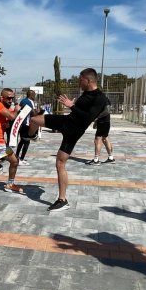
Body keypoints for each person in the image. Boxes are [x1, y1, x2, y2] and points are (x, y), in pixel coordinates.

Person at [26, 68, 109, 212]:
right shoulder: (86, 93)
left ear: (87, 80)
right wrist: (73, 105)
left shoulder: (100, 98)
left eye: (80, 79)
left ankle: (62, 200)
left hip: (74, 131)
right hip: (66, 121)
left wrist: (71, 106)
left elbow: (88, 118)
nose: (78, 81)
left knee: (60, 162)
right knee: (34, 119)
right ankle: (31, 136)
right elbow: (79, 111)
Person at [85, 97, 114, 165]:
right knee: (105, 138)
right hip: (105, 122)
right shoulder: (103, 99)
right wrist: (96, 121)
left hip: (103, 122)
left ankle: (96, 160)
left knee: (97, 139)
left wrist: (97, 117)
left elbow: (107, 110)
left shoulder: (103, 99)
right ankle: (111, 157)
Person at [16, 90, 39, 166]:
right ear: (31, 95)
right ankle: (21, 159)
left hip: (21, 123)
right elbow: (32, 113)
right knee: (27, 141)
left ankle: (17, 156)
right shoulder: (30, 102)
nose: (35, 96)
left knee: (22, 141)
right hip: (26, 124)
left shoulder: (22, 101)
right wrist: (38, 112)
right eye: (34, 95)